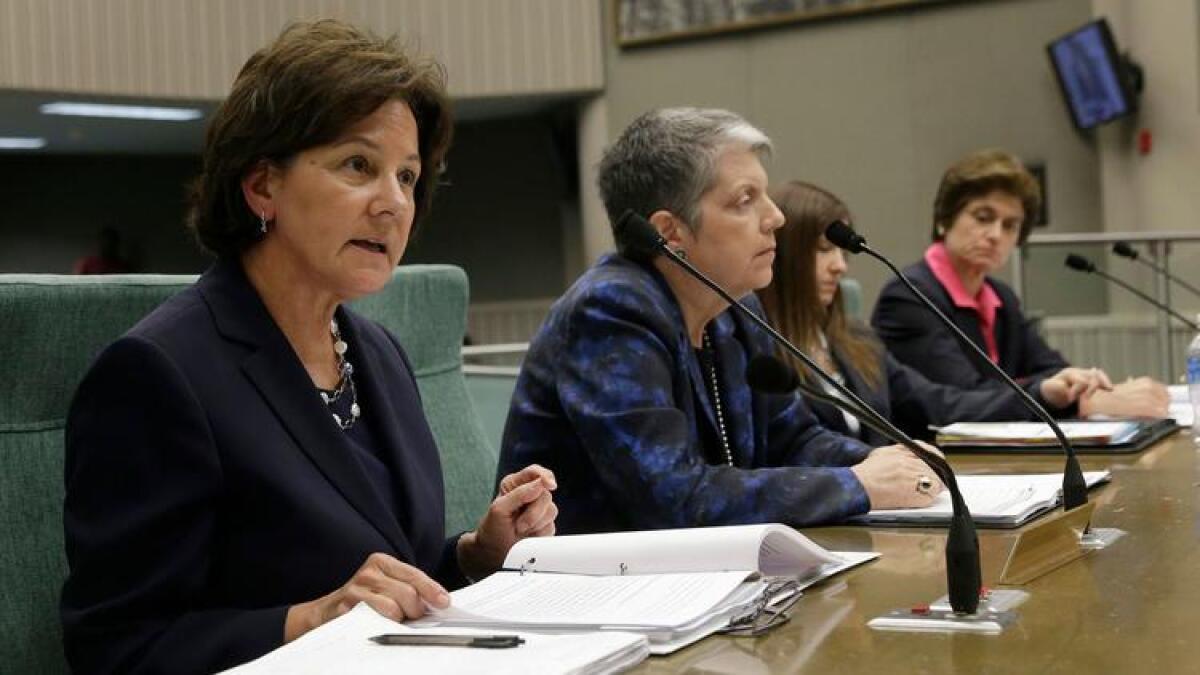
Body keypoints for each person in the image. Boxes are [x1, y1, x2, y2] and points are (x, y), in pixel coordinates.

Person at [61, 20, 557, 675]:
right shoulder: (156, 373)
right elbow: (114, 646)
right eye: (359, 165)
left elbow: (380, 573)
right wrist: (308, 621)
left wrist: (473, 554)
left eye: (407, 178)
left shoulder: (380, 353)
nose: (393, 204)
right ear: (262, 185)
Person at [496, 107, 944, 537]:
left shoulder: (737, 308)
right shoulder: (611, 312)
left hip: (701, 582)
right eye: (745, 200)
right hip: (594, 595)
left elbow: (795, 439)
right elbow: (671, 498)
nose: (776, 217)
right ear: (669, 233)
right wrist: (859, 484)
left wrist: (893, 465)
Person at [756, 180, 1110, 444]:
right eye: (823, 251)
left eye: (843, 254)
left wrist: (1044, 394)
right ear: (782, 256)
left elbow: (940, 404)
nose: (840, 267)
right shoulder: (758, 351)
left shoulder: (858, 340)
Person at [870, 149, 1167, 419]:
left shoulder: (1001, 297)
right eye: (983, 217)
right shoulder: (907, 298)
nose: (995, 234)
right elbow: (965, 396)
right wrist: (1075, 402)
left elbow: (1049, 367)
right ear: (943, 221)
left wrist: (1077, 384)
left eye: (1010, 225)